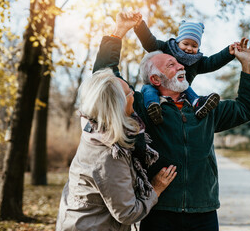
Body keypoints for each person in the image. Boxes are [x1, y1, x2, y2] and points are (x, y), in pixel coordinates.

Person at [93, 12, 250, 231]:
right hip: (159, 209)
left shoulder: (204, 107)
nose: (182, 66)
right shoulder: (142, 106)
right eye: (171, 64)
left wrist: (247, 65)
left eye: (180, 64)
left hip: (204, 210)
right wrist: (118, 33)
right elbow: (105, 77)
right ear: (155, 79)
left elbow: (245, 109)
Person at [55, 70, 177, 231]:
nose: (134, 93)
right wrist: (155, 189)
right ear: (118, 104)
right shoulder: (109, 154)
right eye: (129, 93)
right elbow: (128, 213)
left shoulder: (96, 128)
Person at [133, 13, 237, 124]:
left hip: (180, 91)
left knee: (186, 87)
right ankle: (153, 107)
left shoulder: (197, 61)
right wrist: (140, 27)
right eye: (185, 43)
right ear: (178, 41)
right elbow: (150, 43)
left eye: (194, 46)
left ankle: (198, 104)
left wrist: (228, 53)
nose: (189, 48)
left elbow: (213, 62)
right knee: (148, 89)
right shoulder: (167, 48)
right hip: (159, 84)